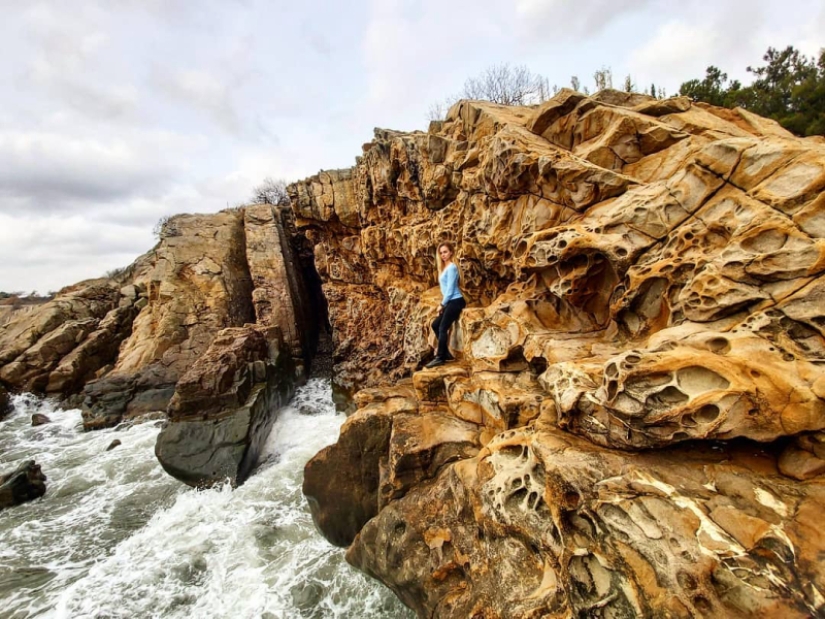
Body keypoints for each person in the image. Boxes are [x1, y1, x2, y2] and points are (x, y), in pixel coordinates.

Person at [426, 242, 466, 368]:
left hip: (456, 301)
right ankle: (446, 354)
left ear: (451, 252)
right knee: (435, 325)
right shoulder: (444, 267)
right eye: (441, 252)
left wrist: (442, 305)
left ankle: (440, 358)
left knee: (442, 327)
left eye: (445, 252)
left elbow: (449, 290)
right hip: (450, 302)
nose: (443, 255)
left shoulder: (452, 267)